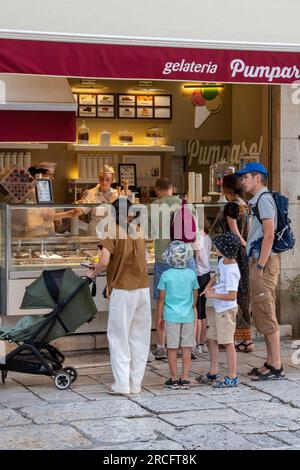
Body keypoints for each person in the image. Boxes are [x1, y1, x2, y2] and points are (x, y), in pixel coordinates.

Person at [87, 198, 151, 395]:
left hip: (123, 289)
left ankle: (122, 384)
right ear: (131, 212)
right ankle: (136, 383)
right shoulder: (138, 231)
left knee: (119, 337)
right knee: (139, 338)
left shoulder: (111, 231)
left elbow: (104, 261)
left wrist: (92, 273)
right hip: (142, 289)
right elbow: (146, 258)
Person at [236, 162, 285, 381]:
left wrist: (260, 265)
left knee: (266, 310)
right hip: (258, 260)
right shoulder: (256, 201)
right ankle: (270, 361)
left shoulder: (264, 200)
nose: (243, 181)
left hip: (262, 262)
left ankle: (276, 365)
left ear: (258, 178)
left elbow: (269, 235)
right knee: (261, 312)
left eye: (246, 177)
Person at [148, 178, 198, 360]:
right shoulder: (187, 205)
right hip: (187, 258)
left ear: (156, 190)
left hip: (163, 258)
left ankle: (161, 346)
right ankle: (189, 345)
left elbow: (146, 233)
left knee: (162, 301)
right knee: (189, 302)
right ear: (172, 189)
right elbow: (195, 235)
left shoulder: (153, 207)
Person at [196, 233, 241, 388]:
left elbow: (232, 296)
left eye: (219, 247)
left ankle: (232, 376)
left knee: (228, 342)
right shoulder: (223, 262)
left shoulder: (232, 272)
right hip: (218, 310)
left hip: (226, 312)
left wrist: (213, 294)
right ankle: (214, 371)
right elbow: (216, 275)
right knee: (211, 338)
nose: (216, 249)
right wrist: (207, 287)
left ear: (225, 250)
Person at [157, 241, 199, 389]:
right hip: (187, 316)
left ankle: (174, 378)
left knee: (172, 348)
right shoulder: (191, 274)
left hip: (171, 317)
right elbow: (195, 295)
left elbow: (161, 299)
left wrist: (159, 318)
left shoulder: (166, 275)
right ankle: (185, 377)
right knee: (186, 347)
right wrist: (190, 307)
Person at [221, 173, 253, 353]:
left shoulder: (230, 207)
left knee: (234, 294)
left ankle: (237, 339)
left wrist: (243, 244)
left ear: (226, 189)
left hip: (234, 255)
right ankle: (246, 338)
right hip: (245, 254)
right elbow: (247, 230)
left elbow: (235, 234)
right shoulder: (245, 206)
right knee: (243, 294)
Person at [55, 165, 118, 235]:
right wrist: (56, 216)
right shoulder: (91, 193)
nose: (104, 182)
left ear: (112, 180)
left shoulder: (117, 194)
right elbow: (78, 212)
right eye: (101, 179)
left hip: (112, 233)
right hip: (95, 233)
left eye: (107, 180)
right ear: (99, 179)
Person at [192, 229, 212, 358]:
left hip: (198, 274)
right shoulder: (208, 237)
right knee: (202, 310)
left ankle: (197, 343)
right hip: (207, 274)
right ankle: (202, 343)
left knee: (196, 310)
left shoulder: (197, 236)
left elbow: (197, 255)